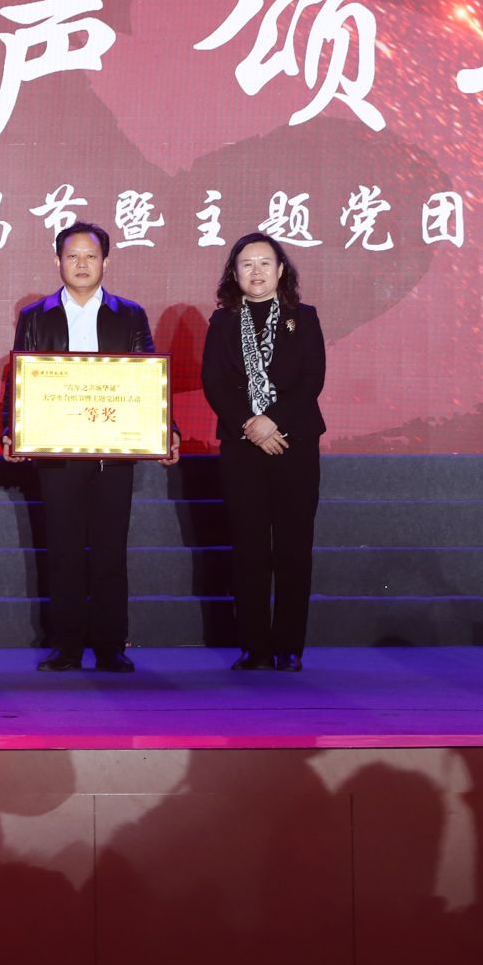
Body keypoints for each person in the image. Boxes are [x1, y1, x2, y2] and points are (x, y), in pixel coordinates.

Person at [2, 221, 177, 672]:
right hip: (57, 453)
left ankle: (110, 645)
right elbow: (19, 379)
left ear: (106, 261)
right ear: (57, 261)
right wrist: (11, 431)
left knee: (109, 551)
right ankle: (66, 645)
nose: (82, 264)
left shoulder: (130, 314)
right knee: (62, 551)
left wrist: (166, 429)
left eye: (91, 256)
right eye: (72, 256)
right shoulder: (36, 316)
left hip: (111, 454)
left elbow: (147, 379)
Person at [200, 233, 325, 671]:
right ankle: (254, 646)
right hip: (242, 447)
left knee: (294, 547)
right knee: (249, 547)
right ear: (234, 273)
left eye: (264, 263)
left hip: (295, 444)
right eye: (246, 264)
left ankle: (289, 646)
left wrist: (273, 420)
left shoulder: (303, 317)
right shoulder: (222, 322)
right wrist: (250, 427)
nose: (256, 272)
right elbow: (213, 382)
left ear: (281, 269)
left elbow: (312, 380)